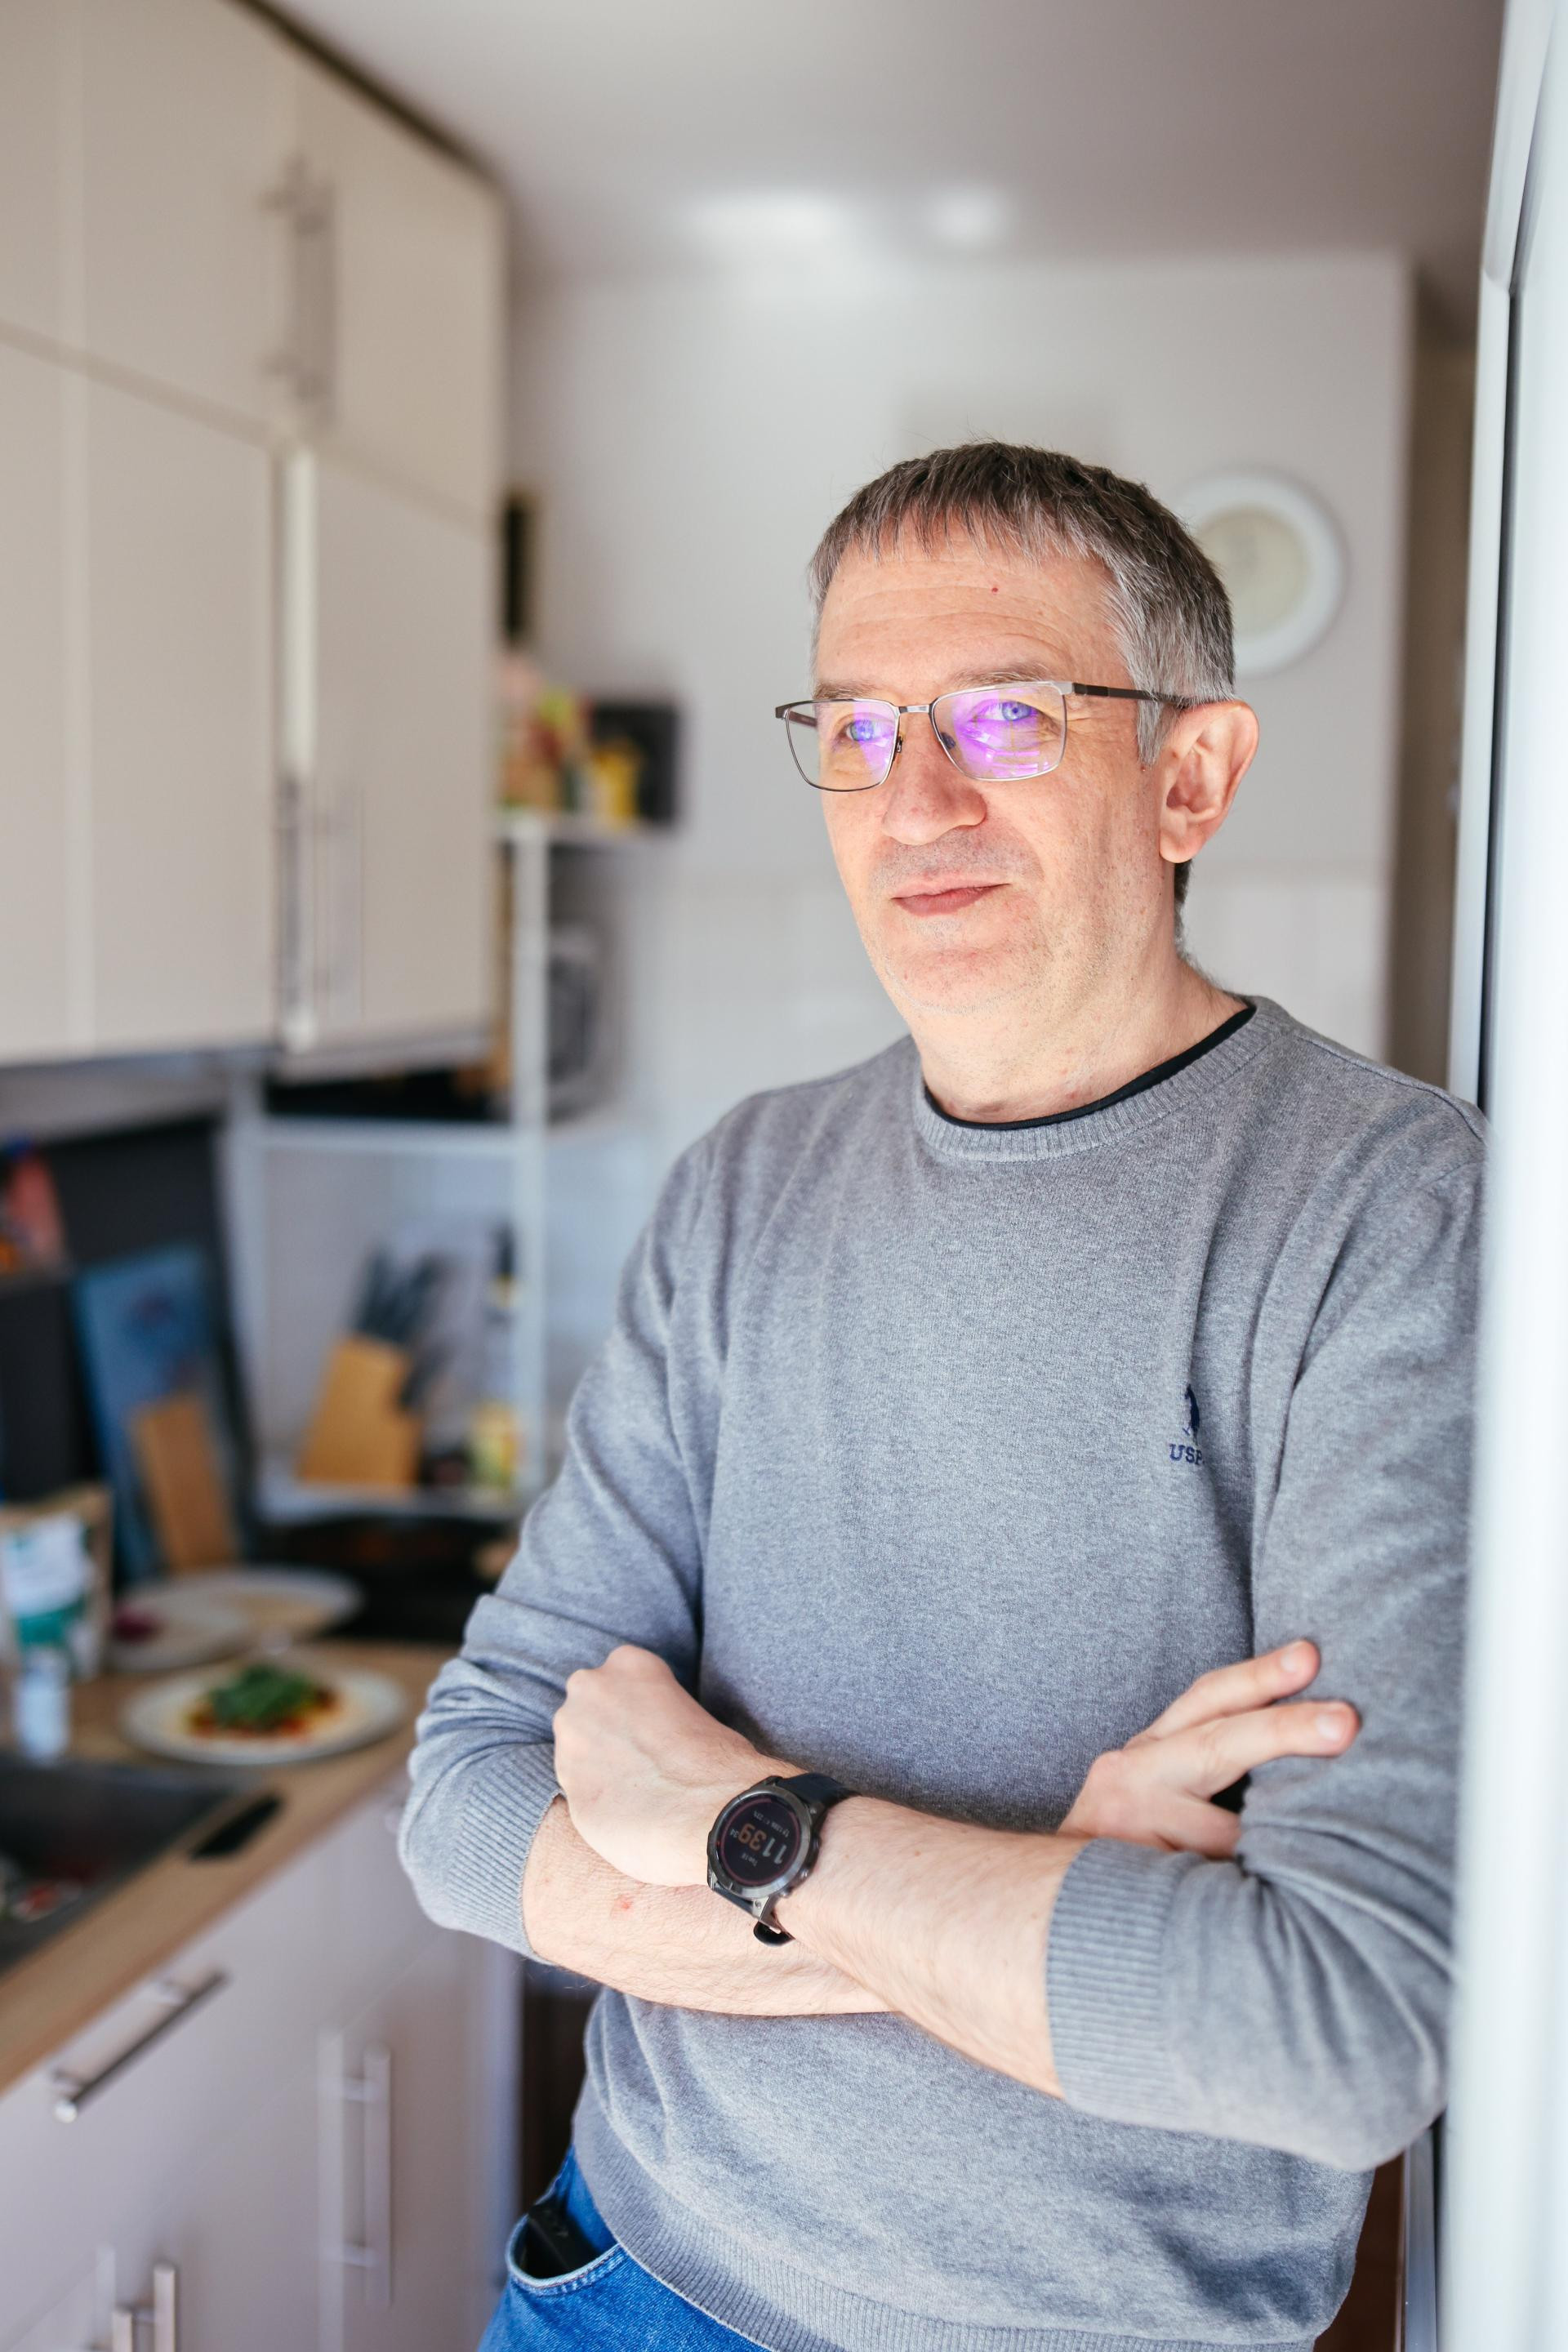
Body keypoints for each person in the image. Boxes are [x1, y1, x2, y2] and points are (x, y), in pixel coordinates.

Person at [400, 443, 1481, 2352]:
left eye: (1003, 716)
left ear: (1192, 778)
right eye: (858, 727)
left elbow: (1334, 2032)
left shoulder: (1390, 1213)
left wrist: (747, 1825)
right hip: (622, 2285)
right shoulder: (746, 1187)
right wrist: (1030, 1904)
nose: (916, 802)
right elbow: (466, 1801)